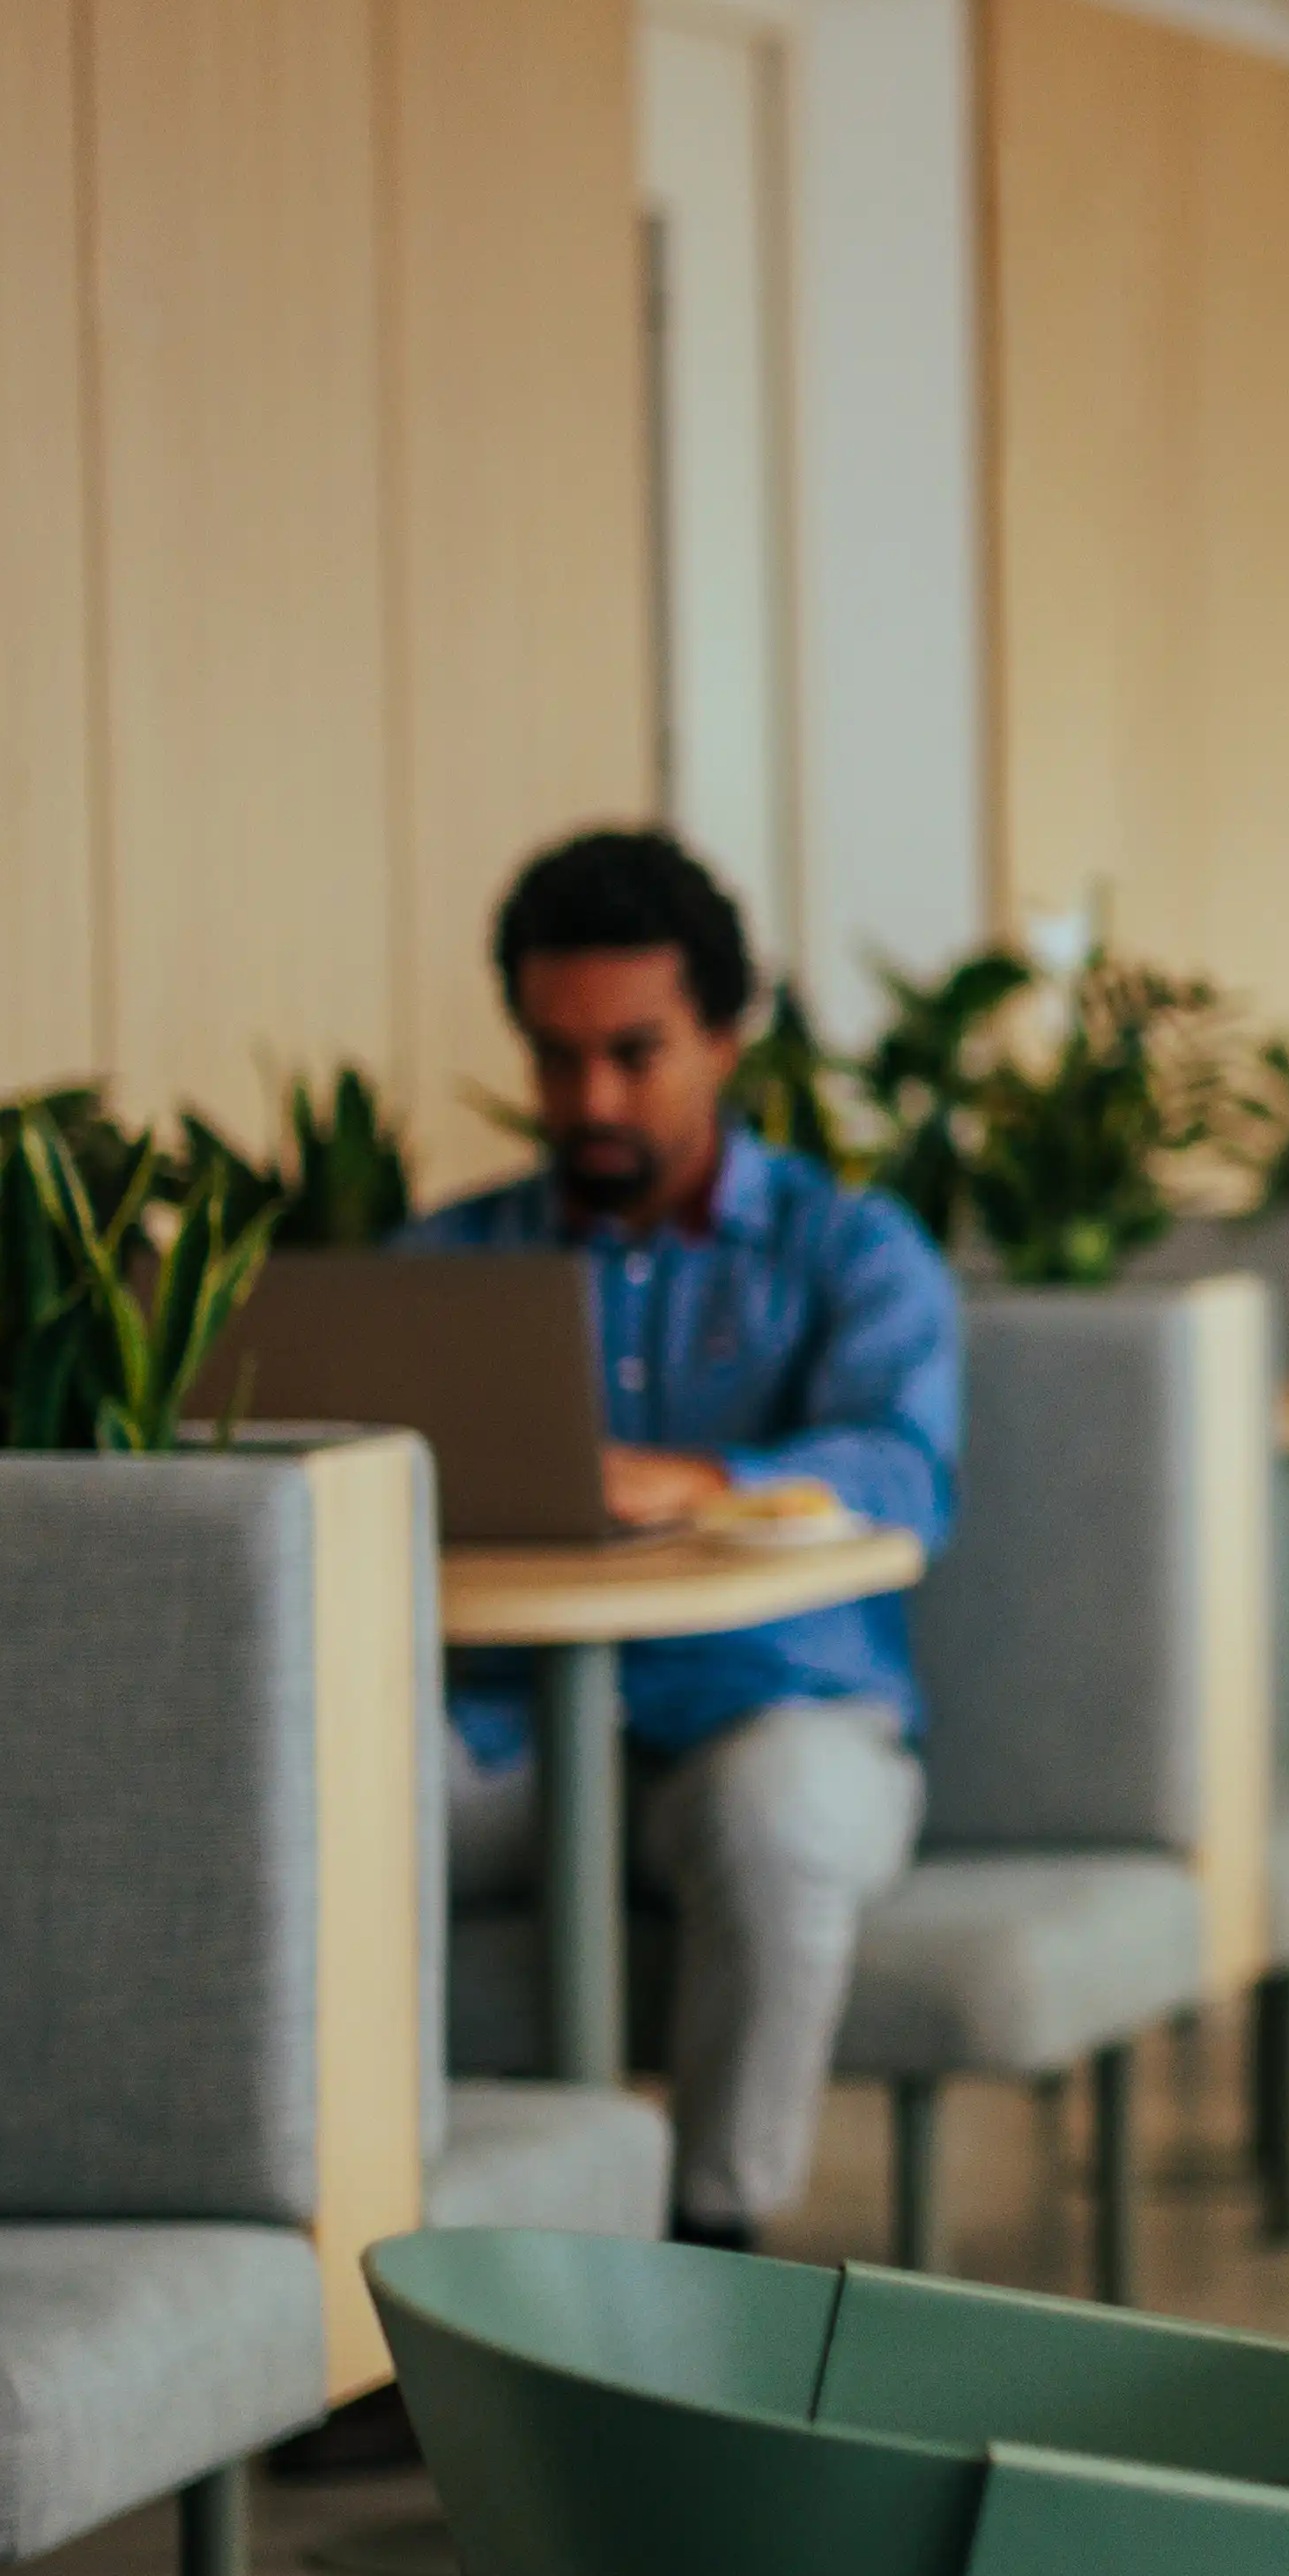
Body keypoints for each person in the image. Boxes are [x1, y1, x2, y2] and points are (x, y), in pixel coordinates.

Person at [419, 829, 962, 2247]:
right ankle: (390, 2298)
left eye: (632, 1053)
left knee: (779, 1821)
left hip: (778, 1714)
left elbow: (903, 1471)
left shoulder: (852, 1252)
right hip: (510, 1730)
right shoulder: (445, 1272)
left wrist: (702, 1480)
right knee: (334, 1809)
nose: (586, 1098)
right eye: (554, 1056)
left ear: (726, 1039)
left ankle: (716, 2278)